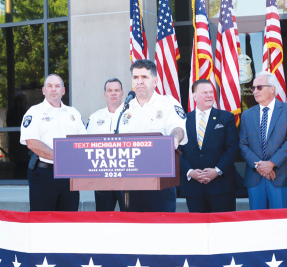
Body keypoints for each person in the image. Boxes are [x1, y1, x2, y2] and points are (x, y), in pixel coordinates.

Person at [119, 59, 188, 212]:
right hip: (129, 184)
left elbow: (178, 128)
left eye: (144, 77)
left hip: (159, 182)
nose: (139, 82)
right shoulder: (125, 108)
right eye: (135, 77)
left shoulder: (168, 103)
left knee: (161, 231)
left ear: (155, 81)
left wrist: (174, 139)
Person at [20, 74, 87, 211]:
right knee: (43, 222)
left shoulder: (73, 113)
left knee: (69, 220)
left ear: (63, 91)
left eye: (57, 86)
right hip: (43, 174)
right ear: (44, 91)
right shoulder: (34, 112)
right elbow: (32, 143)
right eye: (49, 86)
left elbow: (83, 142)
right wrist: (62, 158)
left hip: (69, 176)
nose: (53, 89)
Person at [239, 71, 287, 210]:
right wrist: (260, 166)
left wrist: (271, 163)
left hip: (281, 175)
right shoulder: (247, 115)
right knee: (257, 224)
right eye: (253, 88)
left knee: (281, 222)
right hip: (256, 176)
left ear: (272, 89)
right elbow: (243, 144)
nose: (255, 91)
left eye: (259, 87)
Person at [179, 79, 239, 212]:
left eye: (211, 92)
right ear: (194, 96)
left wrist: (216, 171)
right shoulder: (182, 120)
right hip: (194, 188)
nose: (209, 95)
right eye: (204, 92)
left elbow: (232, 149)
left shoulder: (226, 118)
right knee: (197, 230)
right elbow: (178, 151)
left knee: (223, 229)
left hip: (221, 186)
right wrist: (190, 172)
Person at [86, 78, 124, 211]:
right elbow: (87, 145)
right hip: (102, 175)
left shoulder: (132, 115)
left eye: (116, 90)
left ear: (122, 93)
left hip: (127, 176)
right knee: (103, 215)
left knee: (129, 214)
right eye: (109, 91)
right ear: (105, 94)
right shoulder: (95, 117)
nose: (113, 93)